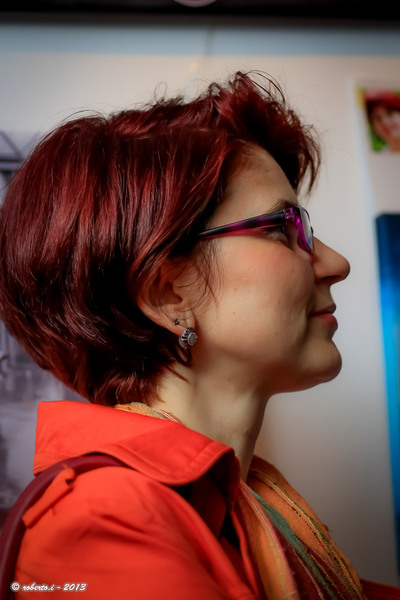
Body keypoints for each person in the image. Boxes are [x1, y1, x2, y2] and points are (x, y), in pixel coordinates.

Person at [0, 71, 367, 599]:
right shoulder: (105, 523)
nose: (336, 263)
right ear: (169, 294)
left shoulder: (253, 506)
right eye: (279, 230)